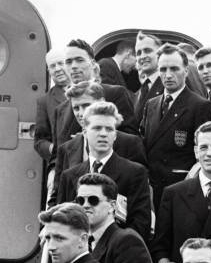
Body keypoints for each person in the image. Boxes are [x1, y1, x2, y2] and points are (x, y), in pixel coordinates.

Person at [57, 101, 151, 241]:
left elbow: (140, 225)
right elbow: (62, 222)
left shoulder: (134, 173)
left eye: (109, 129)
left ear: (115, 135)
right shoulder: (69, 176)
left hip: (116, 254)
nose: (103, 134)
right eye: (97, 128)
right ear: (84, 132)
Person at [141, 43, 211, 211]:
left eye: (174, 69)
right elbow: (144, 144)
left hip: (182, 191)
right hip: (152, 190)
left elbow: (205, 155)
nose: (168, 75)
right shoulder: (151, 105)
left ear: (186, 71)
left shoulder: (200, 106)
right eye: (163, 69)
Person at [152, 121, 211, 263]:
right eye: (203, 147)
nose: (209, 153)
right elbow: (160, 247)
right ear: (196, 151)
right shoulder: (173, 194)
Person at [52, 81, 147, 201]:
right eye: (76, 108)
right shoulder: (66, 148)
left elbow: (140, 191)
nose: (81, 113)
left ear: (102, 102)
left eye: (86, 105)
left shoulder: (129, 144)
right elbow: (57, 196)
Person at [54, 39, 136, 145]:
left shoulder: (116, 94)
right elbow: (56, 156)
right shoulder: (60, 109)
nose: (73, 66)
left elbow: (132, 141)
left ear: (92, 64)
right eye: (68, 62)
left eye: (79, 60)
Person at [34, 48, 70, 162]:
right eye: (52, 66)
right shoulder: (44, 101)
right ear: (48, 71)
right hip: (62, 163)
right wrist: (53, 149)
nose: (57, 69)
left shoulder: (87, 89)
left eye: (61, 63)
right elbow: (40, 141)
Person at [134, 31, 165, 125]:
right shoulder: (137, 94)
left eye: (147, 50)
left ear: (160, 54)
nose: (142, 56)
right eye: (139, 53)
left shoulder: (169, 85)